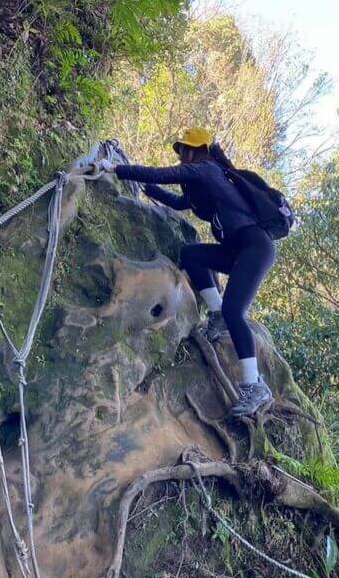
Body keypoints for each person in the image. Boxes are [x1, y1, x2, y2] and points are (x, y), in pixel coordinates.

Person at [98, 127, 275, 417]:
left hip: (255, 247)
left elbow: (162, 174)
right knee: (191, 255)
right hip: (237, 249)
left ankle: (254, 386)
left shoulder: (207, 170)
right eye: (181, 151)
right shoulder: (202, 185)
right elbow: (179, 203)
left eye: (186, 151)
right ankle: (216, 315)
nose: (182, 157)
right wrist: (146, 189)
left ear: (200, 151)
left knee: (235, 312)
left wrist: (117, 169)